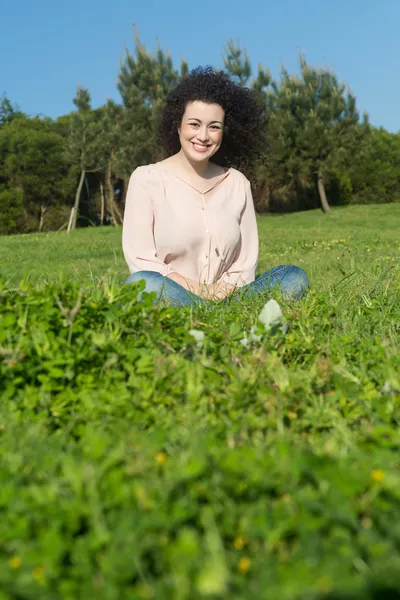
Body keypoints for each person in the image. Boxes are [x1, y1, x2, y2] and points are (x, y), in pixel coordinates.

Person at [122, 66, 309, 307]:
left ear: (223, 132)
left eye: (214, 126)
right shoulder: (146, 179)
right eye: (194, 124)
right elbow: (142, 261)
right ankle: (214, 316)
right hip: (173, 292)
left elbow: (245, 265)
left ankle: (211, 317)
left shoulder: (237, 183)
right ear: (178, 126)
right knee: (142, 284)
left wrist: (222, 294)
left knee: (293, 277)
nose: (203, 136)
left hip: (230, 298)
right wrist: (201, 292)